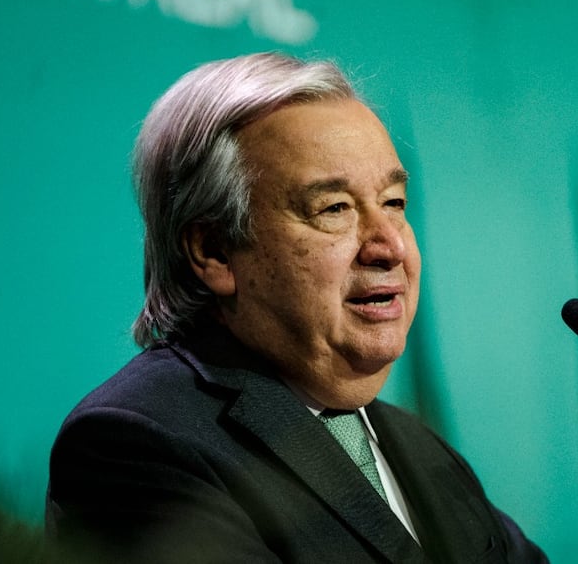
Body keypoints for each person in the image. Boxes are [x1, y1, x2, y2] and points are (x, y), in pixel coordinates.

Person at [45, 52, 547, 563]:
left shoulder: (418, 447)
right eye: (334, 209)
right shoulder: (136, 443)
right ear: (215, 251)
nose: (389, 246)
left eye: (394, 203)